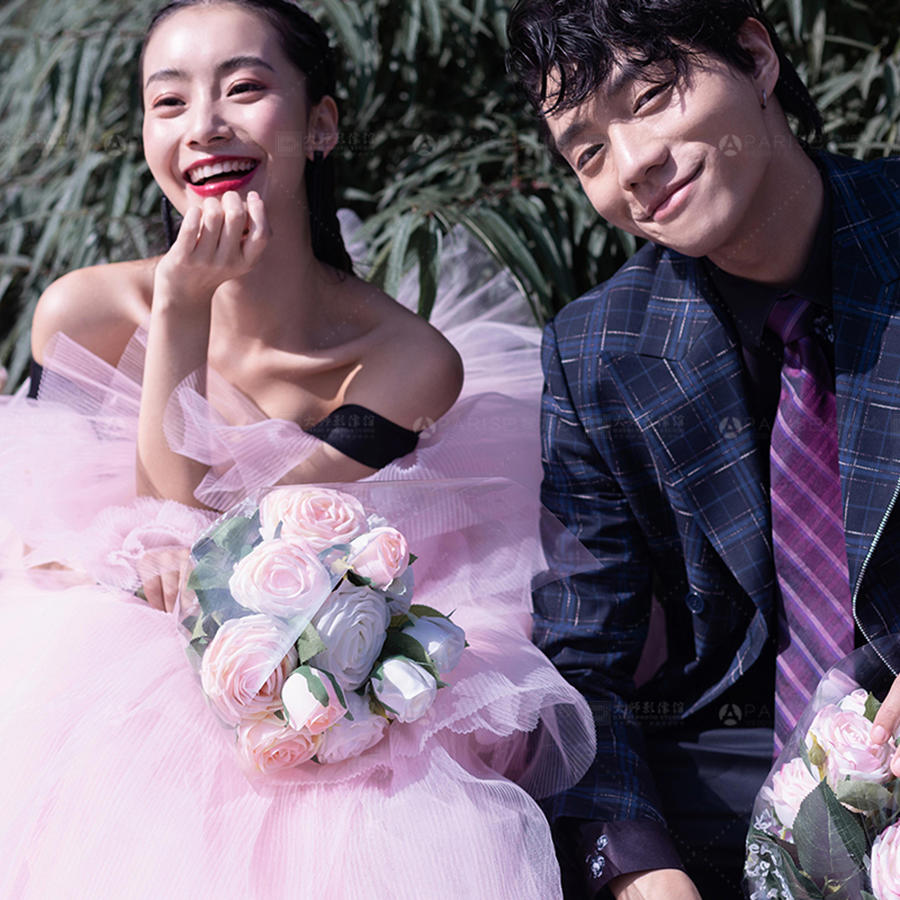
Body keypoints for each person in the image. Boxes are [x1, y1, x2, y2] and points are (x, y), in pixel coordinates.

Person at [0, 1, 596, 896]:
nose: (204, 125)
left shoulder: (404, 362)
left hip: (289, 657)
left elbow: (210, 544)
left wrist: (183, 307)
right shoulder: (82, 314)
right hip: (108, 660)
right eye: (169, 102)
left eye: (243, 88)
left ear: (321, 125)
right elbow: (113, 526)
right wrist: (176, 310)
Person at [505, 1, 900, 897]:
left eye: (650, 96)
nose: (632, 164)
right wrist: (641, 871)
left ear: (755, 57)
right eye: (587, 153)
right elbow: (582, 666)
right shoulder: (598, 352)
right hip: (739, 788)